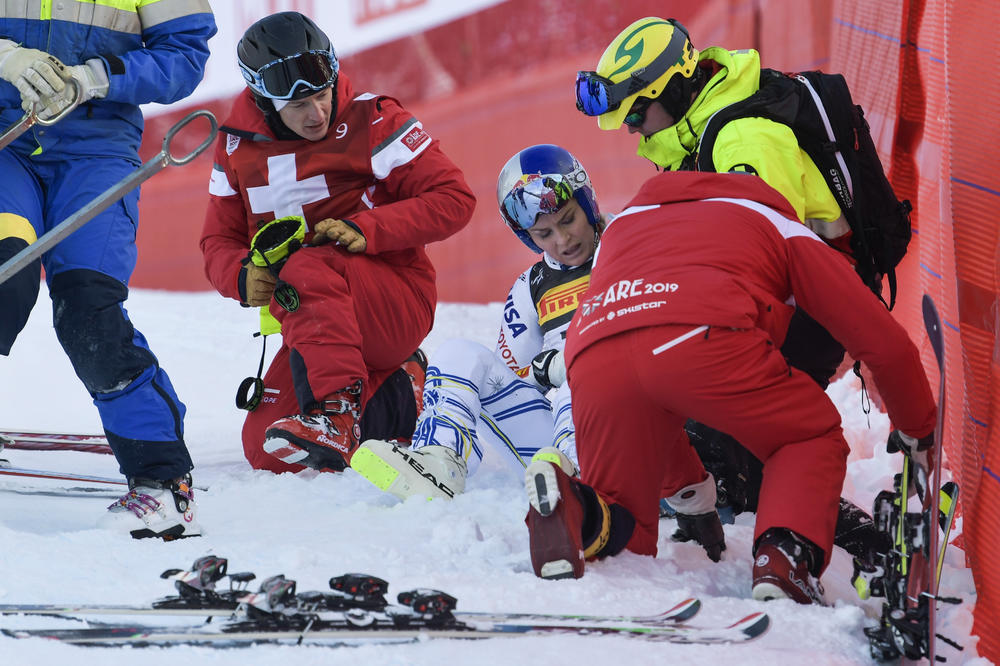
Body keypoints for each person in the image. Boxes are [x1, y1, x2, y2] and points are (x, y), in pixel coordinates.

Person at [524, 169, 937, 604]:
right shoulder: (775, 221)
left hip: (593, 351)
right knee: (804, 436)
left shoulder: (623, 227)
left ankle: (580, 511)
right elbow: (883, 343)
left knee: (623, 518)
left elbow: (653, 402)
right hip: (701, 331)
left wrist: (694, 501)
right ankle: (783, 558)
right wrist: (918, 429)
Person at [200, 11, 475, 475]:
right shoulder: (233, 148)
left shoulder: (374, 118)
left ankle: (337, 415)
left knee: (305, 266)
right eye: (298, 104)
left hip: (393, 300)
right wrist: (241, 276)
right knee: (267, 450)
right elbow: (217, 240)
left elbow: (454, 199)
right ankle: (397, 392)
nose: (317, 113)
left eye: (323, 94)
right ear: (264, 100)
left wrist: (369, 229)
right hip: (314, 323)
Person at [0, 3, 216, 539]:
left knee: (89, 312)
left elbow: (184, 56)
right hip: (7, 144)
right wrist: (7, 58)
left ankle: (162, 482)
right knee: (5, 278)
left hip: (96, 152)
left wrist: (93, 78)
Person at [351, 144, 601, 500]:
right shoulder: (531, 286)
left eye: (568, 219)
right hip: (554, 445)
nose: (562, 240)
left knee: (582, 376)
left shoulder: (627, 244)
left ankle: (583, 486)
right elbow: (515, 378)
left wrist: (574, 364)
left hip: (631, 426)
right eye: (544, 234)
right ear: (527, 237)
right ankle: (439, 463)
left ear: (587, 201)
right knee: (459, 353)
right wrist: (548, 371)